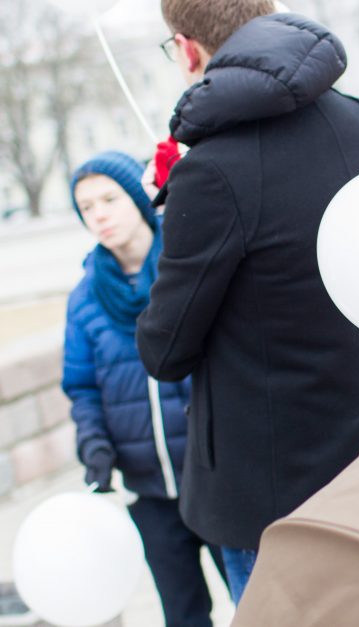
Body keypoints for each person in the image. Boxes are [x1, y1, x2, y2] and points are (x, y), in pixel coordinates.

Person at [136, 0, 359, 603]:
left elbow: (165, 348)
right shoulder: (357, 119)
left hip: (270, 500)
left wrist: (176, 217)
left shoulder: (212, 171)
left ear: (187, 49)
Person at [63, 152, 226, 627]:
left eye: (109, 199)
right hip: (149, 492)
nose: (99, 215)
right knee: (182, 614)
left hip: (213, 475)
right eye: (86, 207)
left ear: (138, 198)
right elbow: (82, 386)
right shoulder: (85, 296)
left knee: (255, 596)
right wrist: (94, 444)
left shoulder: (186, 269)